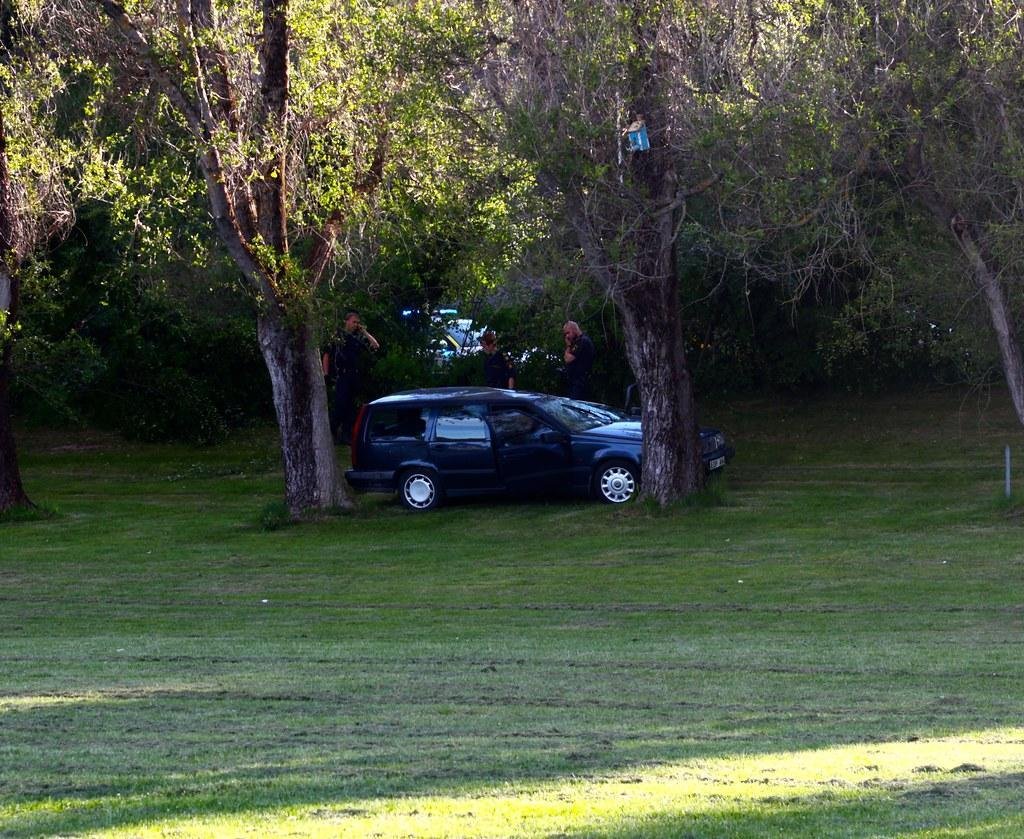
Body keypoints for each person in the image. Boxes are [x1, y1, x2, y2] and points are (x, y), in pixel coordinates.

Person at [323, 310, 379, 444]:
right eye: (354, 322)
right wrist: (325, 373)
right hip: (342, 375)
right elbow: (326, 354)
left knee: (351, 407)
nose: (355, 325)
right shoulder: (337, 336)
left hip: (354, 375)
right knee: (340, 405)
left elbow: (375, 345)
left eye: (357, 323)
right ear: (346, 321)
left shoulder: (356, 338)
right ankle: (333, 431)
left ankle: (346, 435)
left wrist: (364, 332)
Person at [562, 320, 595, 400]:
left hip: (580, 382)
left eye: (568, 333)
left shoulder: (582, 341)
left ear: (573, 329)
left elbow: (568, 359)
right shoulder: (577, 342)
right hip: (575, 381)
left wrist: (569, 346)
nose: (567, 336)